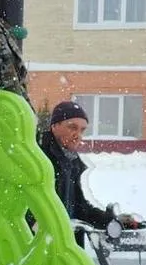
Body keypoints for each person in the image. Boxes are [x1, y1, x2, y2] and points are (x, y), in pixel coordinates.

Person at [38, 100, 133, 245]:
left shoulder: (71, 162)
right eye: (72, 127)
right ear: (54, 126)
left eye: (82, 130)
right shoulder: (40, 158)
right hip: (43, 243)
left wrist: (110, 220)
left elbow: (80, 208)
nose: (78, 135)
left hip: (66, 243)